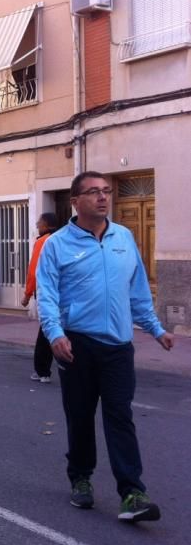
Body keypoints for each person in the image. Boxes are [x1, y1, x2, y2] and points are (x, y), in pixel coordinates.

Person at [37, 171, 174, 521]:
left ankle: (132, 493)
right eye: (94, 192)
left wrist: (156, 329)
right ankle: (81, 478)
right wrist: (55, 335)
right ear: (75, 201)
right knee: (80, 416)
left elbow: (138, 291)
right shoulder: (57, 244)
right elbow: (48, 296)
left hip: (117, 347)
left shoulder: (124, 238)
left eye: (107, 191)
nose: (103, 197)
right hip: (77, 344)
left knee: (119, 416)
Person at [21, 213, 59, 383]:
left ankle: (42, 371)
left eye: (39, 222)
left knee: (46, 330)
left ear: (47, 224)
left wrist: (27, 295)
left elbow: (34, 271)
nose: (37, 224)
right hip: (65, 292)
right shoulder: (64, 239)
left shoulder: (43, 241)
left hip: (47, 292)